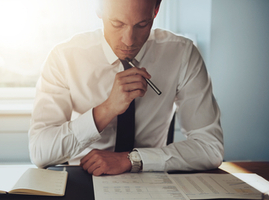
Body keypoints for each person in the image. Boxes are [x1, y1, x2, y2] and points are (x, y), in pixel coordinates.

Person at [28, 0, 224, 176]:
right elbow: (40, 151)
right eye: (117, 24)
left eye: (142, 25)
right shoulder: (64, 58)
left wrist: (132, 160)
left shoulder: (182, 54)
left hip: (152, 176)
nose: (129, 41)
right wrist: (107, 109)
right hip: (83, 177)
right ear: (99, 9)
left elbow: (210, 148)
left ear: (156, 11)